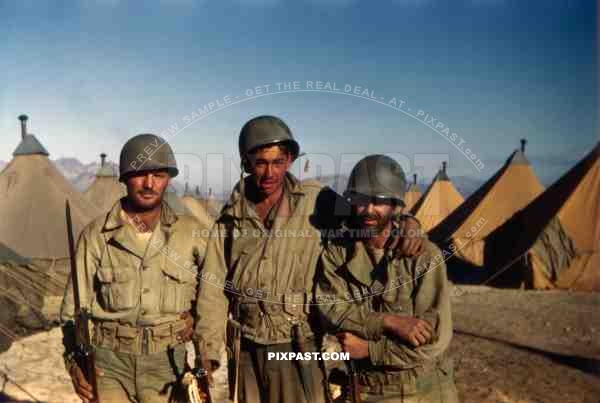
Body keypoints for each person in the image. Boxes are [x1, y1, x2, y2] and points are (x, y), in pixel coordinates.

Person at [194, 116, 425, 403]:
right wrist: (207, 352)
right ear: (246, 162)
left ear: (290, 159)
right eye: (261, 162)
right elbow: (212, 290)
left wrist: (408, 220)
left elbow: (366, 215)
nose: (269, 172)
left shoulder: (317, 200)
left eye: (278, 162)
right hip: (245, 348)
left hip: (295, 344)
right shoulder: (229, 219)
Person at [60, 134, 204, 403]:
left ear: (169, 179)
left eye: (158, 175)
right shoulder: (96, 235)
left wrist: (197, 319)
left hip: (168, 363)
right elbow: (71, 313)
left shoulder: (192, 232)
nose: (149, 184)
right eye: (140, 175)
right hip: (109, 363)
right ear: (125, 177)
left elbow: (214, 294)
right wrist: (73, 364)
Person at [316, 154, 458, 403]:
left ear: (395, 205)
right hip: (363, 389)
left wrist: (370, 350)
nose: (369, 209)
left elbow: (433, 342)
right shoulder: (337, 254)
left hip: (421, 392)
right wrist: (388, 322)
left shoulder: (423, 257)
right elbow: (331, 310)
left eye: (379, 201)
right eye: (361, 200)